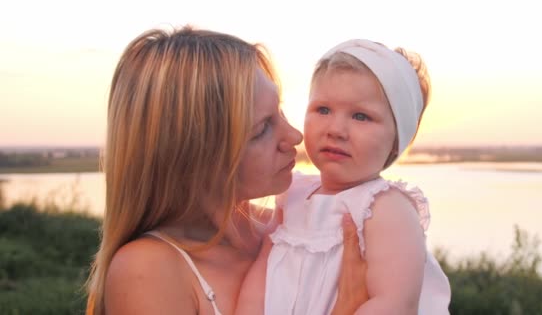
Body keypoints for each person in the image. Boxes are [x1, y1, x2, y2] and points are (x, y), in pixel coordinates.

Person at [85, 26, 369, 315]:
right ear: (193, 154)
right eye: (262, 129)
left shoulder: (297, 230)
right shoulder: (148, 270)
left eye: (280, 111)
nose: (294, 137)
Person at [237, 39, 451, 314]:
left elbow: (394, 304)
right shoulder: (294, 196)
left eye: (361, 116)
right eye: (323, 110)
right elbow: (262, 275)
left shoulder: (385, 209)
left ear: (397, 140)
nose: (336, 129)